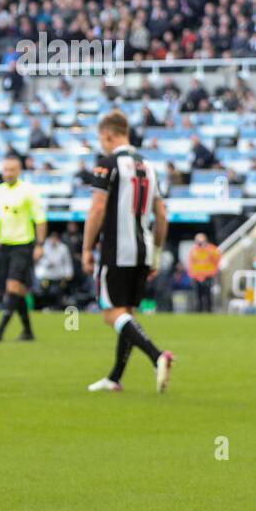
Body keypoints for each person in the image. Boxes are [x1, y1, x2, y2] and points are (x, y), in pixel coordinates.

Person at [83, 110, 175, 394]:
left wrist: (87, 247)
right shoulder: (148, 165)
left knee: (111, 314)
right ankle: (115, 378)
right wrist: (157, 253)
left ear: (109, 135)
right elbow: (162, 214)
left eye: (102, 139)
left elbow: (98, 208)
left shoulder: (107, 164)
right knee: (128, 314)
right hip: (143, 250)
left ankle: (157, 355)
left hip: (117, 249)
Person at [0, 153, 47, 341]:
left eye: (12, 170)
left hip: (23, 245)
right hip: (4, 246)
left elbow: (40, 220)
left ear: (19, 171)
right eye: (5, 170)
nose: (8, 173)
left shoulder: (28, 191)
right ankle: (28, 332)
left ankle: (0, 329)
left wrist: (40, 245)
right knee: (19, 291)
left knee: (13, 286)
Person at [186, 233, 221, 313]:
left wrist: (212, 272)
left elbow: (217, 260)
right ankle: (198, 312)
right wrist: (193, 274)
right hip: (196, 277)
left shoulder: (211, 249)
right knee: (197, 296)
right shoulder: (194, 250)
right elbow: (191, 263)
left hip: (208, 276)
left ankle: (208, 312)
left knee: (208, 295)